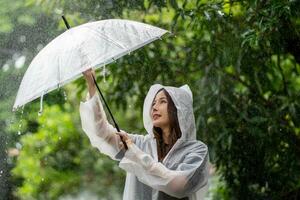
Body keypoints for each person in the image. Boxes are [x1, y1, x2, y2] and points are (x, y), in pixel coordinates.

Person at [79, 69, 209, 200]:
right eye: (153, 103)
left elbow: (178, 186)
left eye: (162, 101)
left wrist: (135, 153)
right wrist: (91, 85)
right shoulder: (140, 143)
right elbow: (102, 132)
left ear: (179, 110)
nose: (154, 107)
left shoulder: (197, 150)